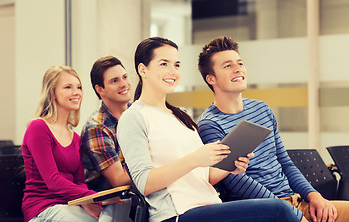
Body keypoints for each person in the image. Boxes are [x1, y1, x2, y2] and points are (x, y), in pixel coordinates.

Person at [116, 37, 300, 222]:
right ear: (143, 70)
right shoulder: (134, 117)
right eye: (164, 64)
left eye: (177, 65)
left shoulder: (179, 117)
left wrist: (230, 167)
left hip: (209, 205)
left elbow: (204, 177)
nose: (173, 72)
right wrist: (195, 159)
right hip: (178, 214)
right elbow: (144, 183)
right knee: (278, 210)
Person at [197, 36, 349, 222]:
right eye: (227, 66)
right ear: (211, 78)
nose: (238, 68)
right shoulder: (209, 124)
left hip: (296, 201)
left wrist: (314, 196)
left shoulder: (261, 109)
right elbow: (233, 181)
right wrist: (284, 210)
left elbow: (284, 162)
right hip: (263, 210)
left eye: (240, 63)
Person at [21, 66, 125, 222]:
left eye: (79, 87)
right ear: (52, 93)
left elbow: (79, 182)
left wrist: (86, 203)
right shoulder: (38, 127)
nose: (76, 92)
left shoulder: (75, 138)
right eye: (68, 87)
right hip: (43, 209)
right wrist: (91, 197)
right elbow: (53, 181)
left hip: (70, 205)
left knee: (120, 213)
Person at [81, 56, 131, 192]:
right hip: (113, 203)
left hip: (146, 194)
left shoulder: (140, 114)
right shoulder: (96, 128)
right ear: (100, 89)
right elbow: (119, 181)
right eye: (115, 81)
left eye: (125, 77)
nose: (124, 84)